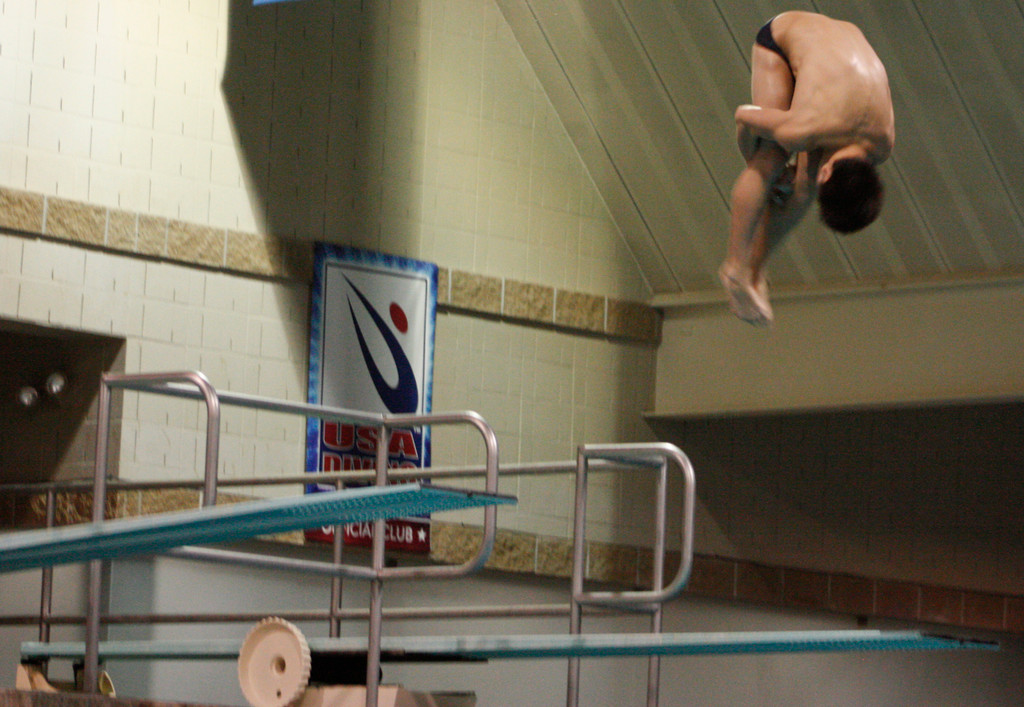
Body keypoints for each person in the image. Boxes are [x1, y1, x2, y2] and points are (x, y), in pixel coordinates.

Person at [720, 11, 895, 325]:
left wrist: (800, 184)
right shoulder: (802, 129)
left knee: (803, 189)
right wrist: (751, 160)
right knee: (771, 159)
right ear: (828, 172)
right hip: (781, 38)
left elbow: (807, 187)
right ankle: (735, 266)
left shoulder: (883, 143)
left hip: (845, 39)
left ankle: (756, 271)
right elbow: (743, 116)